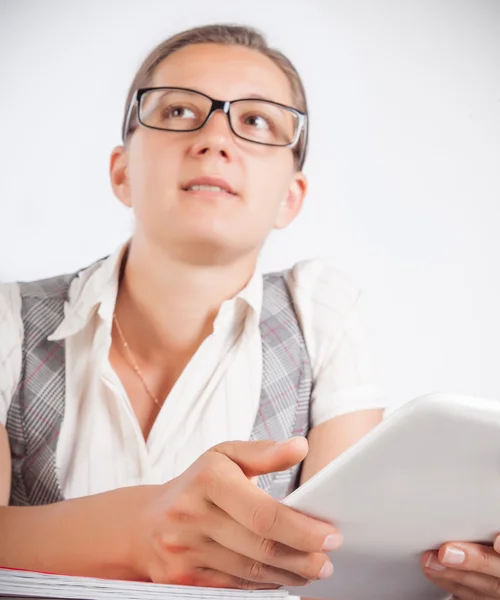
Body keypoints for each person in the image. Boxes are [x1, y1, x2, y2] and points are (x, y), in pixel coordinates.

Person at [0, 23, 493, 600]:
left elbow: (346, 577)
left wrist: (454, 576)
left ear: (291, 197)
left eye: (257, 121)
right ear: (122, 172)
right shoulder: (11, 318)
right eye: (180, 110)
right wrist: (137, 531)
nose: (214, 139)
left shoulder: (323, 318)